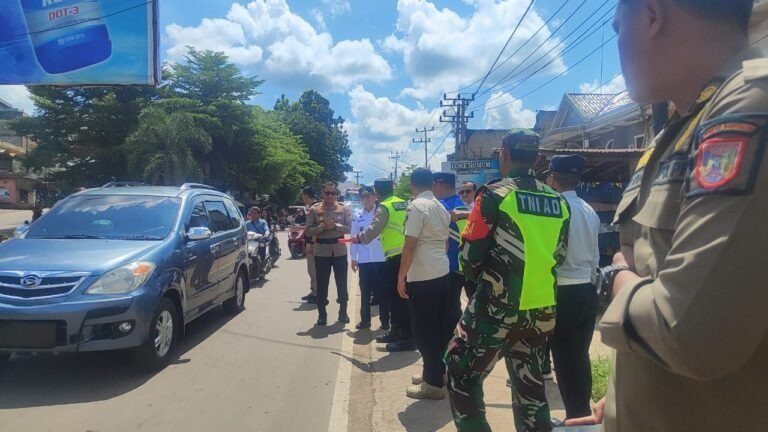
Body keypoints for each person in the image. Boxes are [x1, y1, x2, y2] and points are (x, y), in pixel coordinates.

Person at [567, 1, 768, 431]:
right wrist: (624, 392)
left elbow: (690, 334)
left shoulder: (751, 102)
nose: (619, 44)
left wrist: (615, 277)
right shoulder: (680, 128)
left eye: (619, 27)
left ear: (653, 16)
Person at [444, 129, 570, 432]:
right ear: (537, 159)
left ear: (503, 154)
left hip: (498, 305)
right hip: (541, 309)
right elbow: (560, 255)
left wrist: (481, 281)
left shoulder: (493, 195)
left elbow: (470, 256)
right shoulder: (558, 201)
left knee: (460, 372)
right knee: (529, 383)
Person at [544, 155, 601, 421]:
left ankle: (574, 418)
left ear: (553, 178)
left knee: (565, 359)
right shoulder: (589, 210)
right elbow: (595, 255)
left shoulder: (553, 208)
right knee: (580, 355)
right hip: (586, 289)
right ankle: (581, 414)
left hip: (562, 290)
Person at [398, 168, 451, 400]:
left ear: (412, 184)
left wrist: (401, 277)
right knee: (439, 328)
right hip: (442, 270)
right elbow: (447, 243)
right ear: (432, 184)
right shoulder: (440, 207)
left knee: (424, 331)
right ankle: (437, 372)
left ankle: (432, 384)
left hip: (422, 275)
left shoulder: (416, 207)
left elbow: (410, 245)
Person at [351, 178, 413, 351]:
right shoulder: (404, 203)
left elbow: (373, 229)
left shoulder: (384, 207)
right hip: (407, 253)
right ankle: (395, 331)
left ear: (377, 194)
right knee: (397, 296)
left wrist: (359, 238)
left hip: (395, 255)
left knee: (399, 298)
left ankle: (406, 337)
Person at [305, 182, 351, 326]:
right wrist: (321, 227)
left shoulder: (344, 209)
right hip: (322, 251)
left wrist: (336, 226)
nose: (330, 196)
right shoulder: (314, 209)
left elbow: (350, 228)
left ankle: (343, 312)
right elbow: (307, 231)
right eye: (327, 193)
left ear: (336, 194)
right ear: (322, 194)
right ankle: (322, 315)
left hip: (339, 250)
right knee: (322, 284)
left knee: (342, 283)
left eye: (333, 193)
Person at [432, 171, 469, 330]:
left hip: (449, 266)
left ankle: (452, 345)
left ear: (438, 184)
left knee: (449, 310)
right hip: (467, 264)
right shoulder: (463, 205)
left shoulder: (440, 208)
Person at [350, 185, 389, 330]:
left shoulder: (381, 213)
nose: (366, 199)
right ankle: (365, 320)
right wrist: (353, 258)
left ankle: (385, 322)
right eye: (363, 197)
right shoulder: (357, 215)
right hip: (365, 259)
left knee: (382, 292)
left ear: (374, 197)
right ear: (360, 199)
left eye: (368, 196)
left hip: (380, 258)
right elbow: (354, 237)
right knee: (365, 292)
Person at [301, 187, 318, 304]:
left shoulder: (314, 208)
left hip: (313, 243)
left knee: (313, 269)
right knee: (311, 269)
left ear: (306, 196)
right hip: (311, 242)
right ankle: (313, 291)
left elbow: (316, 228)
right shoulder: (312, 207)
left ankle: (316, 293)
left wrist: (312, 244)